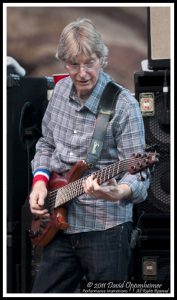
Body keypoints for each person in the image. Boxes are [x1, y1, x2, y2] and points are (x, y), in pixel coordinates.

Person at [29, 18, 150, 293]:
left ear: (102, 59)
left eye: (90, 63)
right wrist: (39, 181)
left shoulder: (123, 105)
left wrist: (118, 192)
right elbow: (46, 143)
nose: (82, 73)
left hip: (105, 229)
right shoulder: (59, 92)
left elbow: (139, 174)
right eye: (73, 65)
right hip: (57, 225)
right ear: (64, 63)